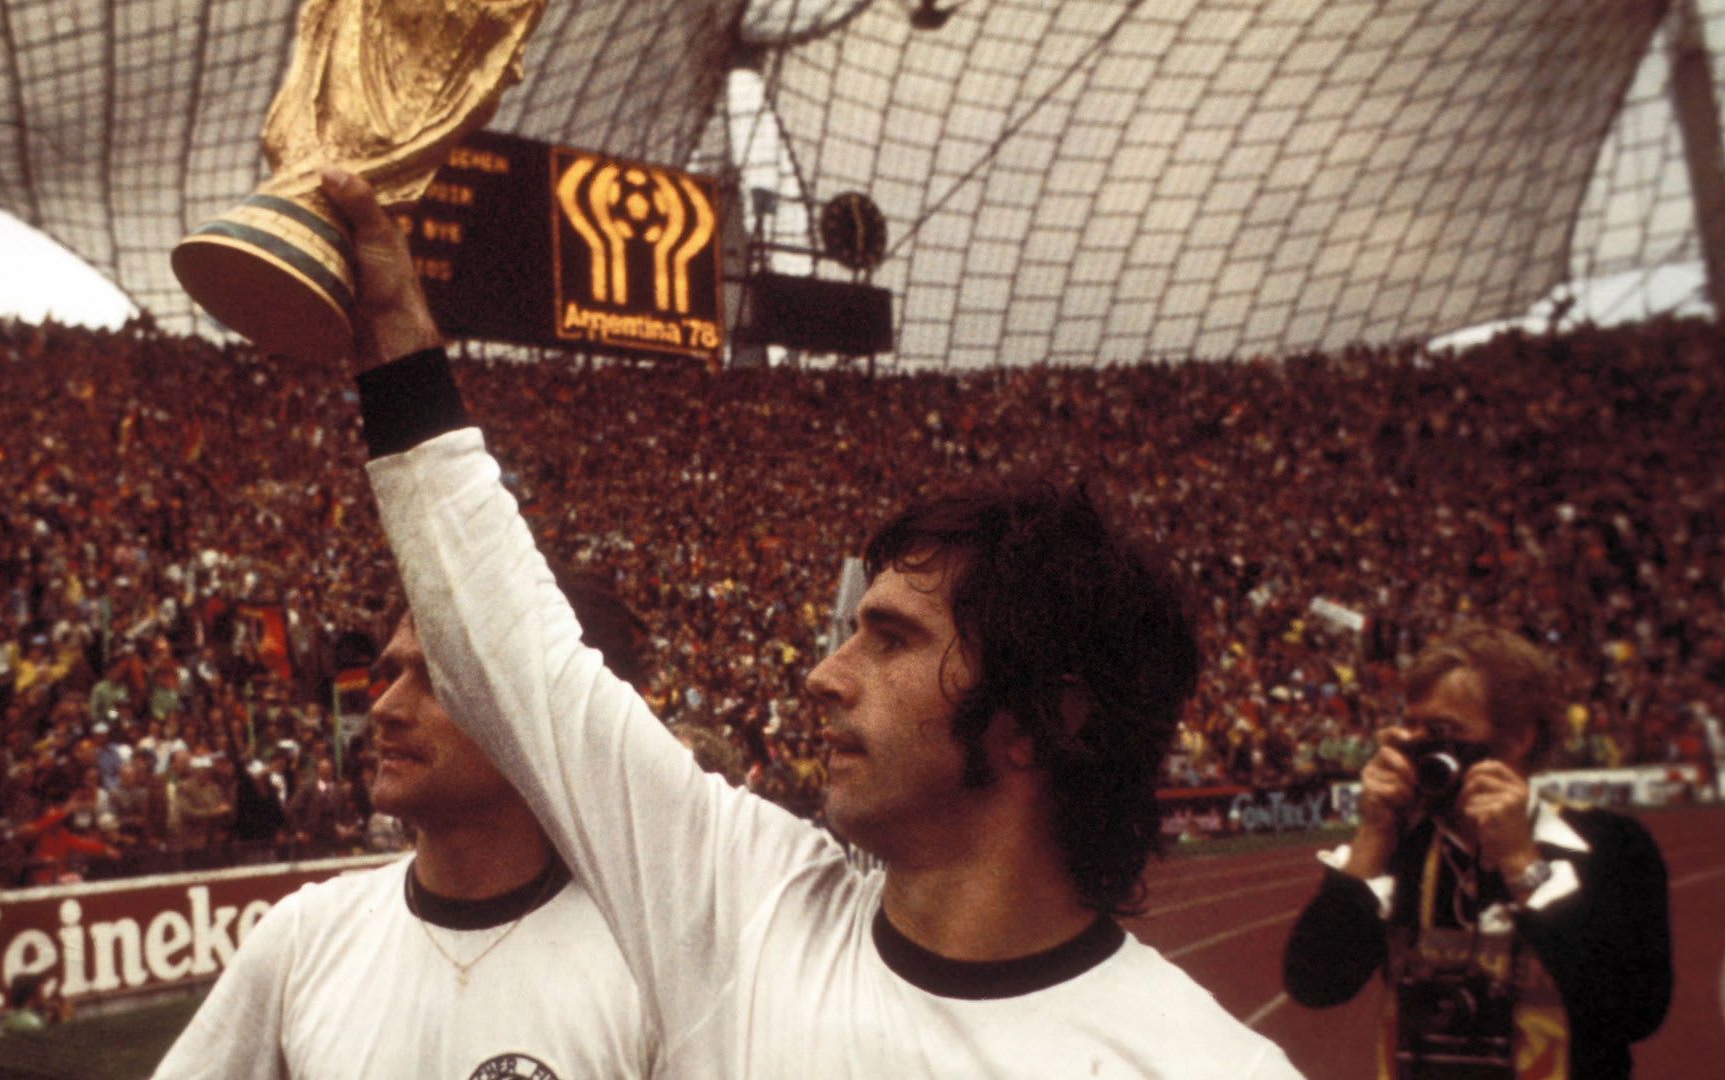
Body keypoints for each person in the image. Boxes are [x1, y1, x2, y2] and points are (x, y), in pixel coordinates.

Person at [319, 168, 1299, 1077]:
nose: (824, 675)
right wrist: (397, 330)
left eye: (896, 638)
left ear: (1048, 719)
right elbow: (513, 660)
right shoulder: (745, 909)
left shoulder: (1203, 1065)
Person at [151, 598, 655, 1079]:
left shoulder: (650, 976)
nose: (385, 707)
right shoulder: (303, 938)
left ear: (548, 714)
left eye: (438, 680)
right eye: (393, 674)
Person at [1282, 625, 1672, 1078]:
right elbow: (1314, 985)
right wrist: (1373, 839)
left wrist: (1524, 866)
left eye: (1444, 730)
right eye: (1412, 727)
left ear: (1519, 738)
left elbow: (1637, 1013)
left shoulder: (1611, 845)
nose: (1421, 747)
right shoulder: (1401, 848)